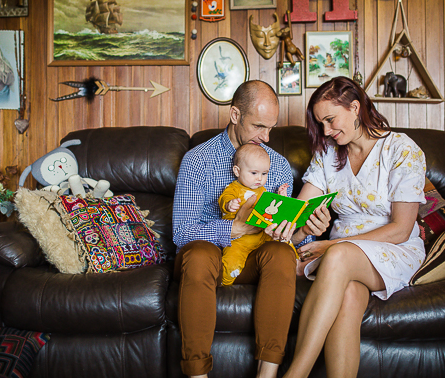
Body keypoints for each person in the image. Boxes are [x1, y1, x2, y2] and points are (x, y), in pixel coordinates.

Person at [172, 80, 330, 378]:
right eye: (259, 126)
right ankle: (197, 374)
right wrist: (235, 228)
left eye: (271, 128)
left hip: (253, 258)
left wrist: (304, 229)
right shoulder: (197, 161)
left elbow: (290, 235)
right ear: (234, 115)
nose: (266, 137)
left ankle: (267, 374)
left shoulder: (279, 166)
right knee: (199, 254)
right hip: (209, 261)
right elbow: (181, 232)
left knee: (281, 252)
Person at [282, 76, 427, 378]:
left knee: (338, 258)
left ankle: (295, 374)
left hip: (394, 248)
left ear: (355, 108)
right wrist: (293, 223)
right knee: (347, 296)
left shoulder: (401, 149)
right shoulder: (328, 154)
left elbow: (401, 229)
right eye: (320, 124)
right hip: (342, 260)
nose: (326, 131)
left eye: (331, 120)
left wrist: (329, 246)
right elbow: (298, 213)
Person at [218, 143, 290, 286]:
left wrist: (281, 197)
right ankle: (226, 281)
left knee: (284, 246)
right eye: (254, 173)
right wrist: (229, 204)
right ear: (237, 171)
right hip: (240, 239)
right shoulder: (234, 188)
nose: (259, 179)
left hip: (262, 235)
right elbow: (224, 199)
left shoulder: (263, 191)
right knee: (232, 260)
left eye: (264, 174)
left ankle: (294, 260)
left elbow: (272, 209)